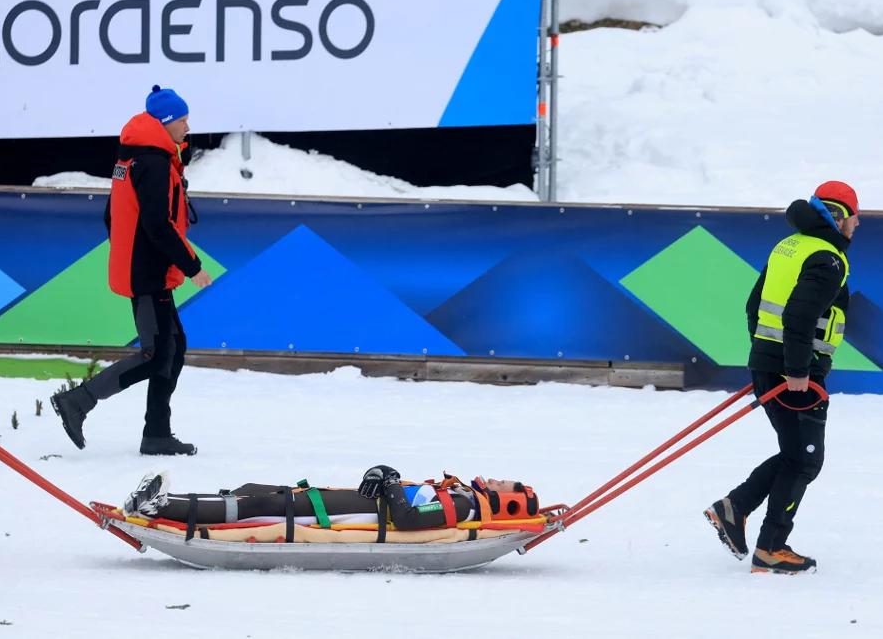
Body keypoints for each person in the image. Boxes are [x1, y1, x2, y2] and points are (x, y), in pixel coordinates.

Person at [705, 180, 860, 575]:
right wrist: (795, 370)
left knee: (797, 455)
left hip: (771, 363)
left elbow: (753, 306)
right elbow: (798, 316)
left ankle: (735, 509)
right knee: (805, 459)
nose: (857, 225)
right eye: (854, 217)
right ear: (839, 217)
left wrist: (765, 355)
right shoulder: (828, 258)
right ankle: (770, 547)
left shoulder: (789, 245)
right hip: (795, 372)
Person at [51, 85, 211, 456]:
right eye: (182, 120)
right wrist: (192, 267)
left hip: (145, 267)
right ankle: (80, 400)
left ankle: (156, 432)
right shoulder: (153, 163)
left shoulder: (138, 157)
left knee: (174, 347)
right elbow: (158, 225)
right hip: (148, 273)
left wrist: (131, 251)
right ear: (165, 122)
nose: (188, 127)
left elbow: (112, 214)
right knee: (157, 353)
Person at [121, 465, 539, 531]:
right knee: (252, 492)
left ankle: (159, 508)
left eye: (509, 485)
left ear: (511, 502)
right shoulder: (462, 494)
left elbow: (410, 519)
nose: (500, 479)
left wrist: (389, 479)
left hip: (345, 515)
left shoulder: (465, 506)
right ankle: (168, 498)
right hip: (344, 500)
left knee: (258, 506)